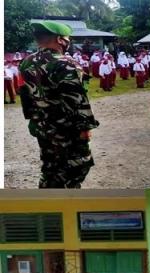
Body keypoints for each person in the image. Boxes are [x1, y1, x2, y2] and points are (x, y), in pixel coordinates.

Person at [19, 20, 99, 188]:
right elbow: (76, 100)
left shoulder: (26, 62)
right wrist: (84, 128)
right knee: (78, 165)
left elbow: (25, 95)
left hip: (43, 126)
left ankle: (48, 198)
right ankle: (64, 199)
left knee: (51, 165)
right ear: (61, 39)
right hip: (66, 128)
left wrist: (33, 120)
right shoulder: (66, 63)